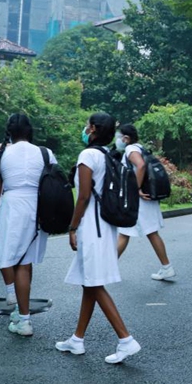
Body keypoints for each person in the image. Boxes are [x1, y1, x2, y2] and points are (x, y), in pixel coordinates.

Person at [55, 113, 141, 364]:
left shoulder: (88, 155)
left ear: (92, 128)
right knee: (88, 283)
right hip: (104, 224)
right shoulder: (107, 154)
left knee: (93, 284)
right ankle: (77, 338)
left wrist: (72, 228)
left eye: (87, 126)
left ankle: (126, 340)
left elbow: (82, 196)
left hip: (91, 226)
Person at [0, 114, 54, 337]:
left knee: (12, 260)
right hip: (38, 208)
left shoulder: (0, 154)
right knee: (25, 263)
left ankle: (22, 315)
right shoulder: (45, 153)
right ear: (29, 130)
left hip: (12, 207)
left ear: (9, 131)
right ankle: (22, 315)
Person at [115, 124, 176, 282]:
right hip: (146, 200)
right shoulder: (139, 147)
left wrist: (136, 189)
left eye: (119, 136)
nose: (117, 139)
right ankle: (166, 267)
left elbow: (141, 165)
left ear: (126, 138)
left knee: (124, 233)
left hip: (139, 200)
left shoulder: (130, 150)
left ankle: (107, 269)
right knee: (149, 232)